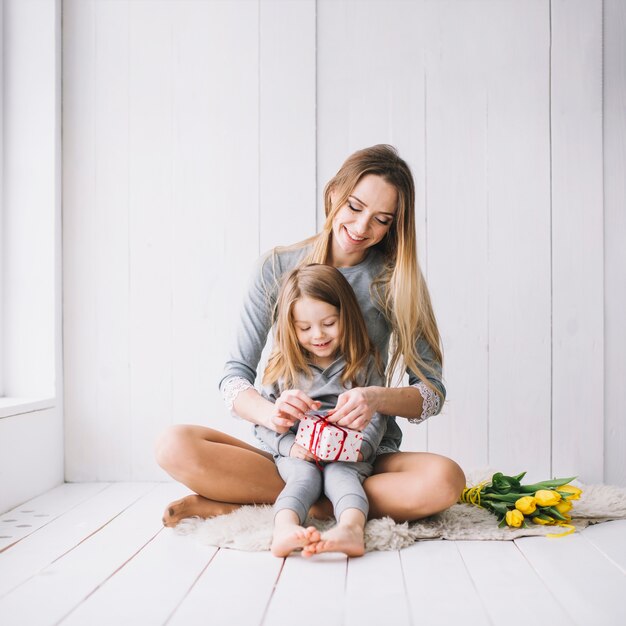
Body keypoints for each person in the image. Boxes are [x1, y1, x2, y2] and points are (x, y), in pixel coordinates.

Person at [156, 144, 466, 531]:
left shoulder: (396, 282)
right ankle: (329, 500)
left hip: (360, 457)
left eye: (381, 219)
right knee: (173, 445)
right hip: (291, 452)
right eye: (354, 207)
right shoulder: (277, 267)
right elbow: (234, 376)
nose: (361, 228)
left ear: (394, 225)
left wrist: (375, 399)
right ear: (334, 191)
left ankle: (288, 502)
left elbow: (431, 393)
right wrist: (273, 415)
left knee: (446, 480)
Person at [256, 263, 387, 557]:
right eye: (304, 328)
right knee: (305, 478)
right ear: (291, 327)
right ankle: (285, 529)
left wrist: (361, 448)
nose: (318, 335)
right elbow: (263, 422)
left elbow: (378, 416)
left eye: (329, 323)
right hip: (300, 453)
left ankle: (351, 529)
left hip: (350, 453)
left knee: (342, 476)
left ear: (347, 316)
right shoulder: (282, 366)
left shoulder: (366, 362)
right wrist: (290, 446)